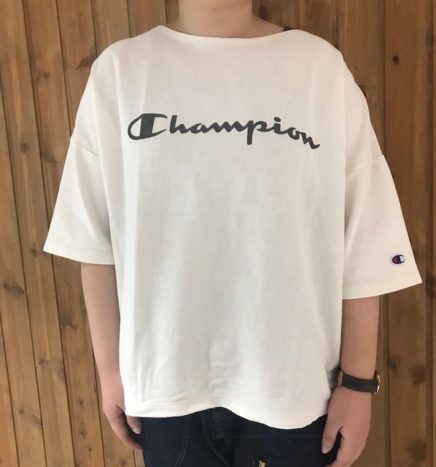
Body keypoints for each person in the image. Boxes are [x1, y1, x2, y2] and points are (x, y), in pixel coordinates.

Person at [42, 1, 423, 466]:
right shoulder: (120, 72)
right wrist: (110, 371)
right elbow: (93, 240)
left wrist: (358, 383)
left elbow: (365, 236)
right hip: (166, 391)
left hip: (296, 392)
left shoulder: (318, 69)